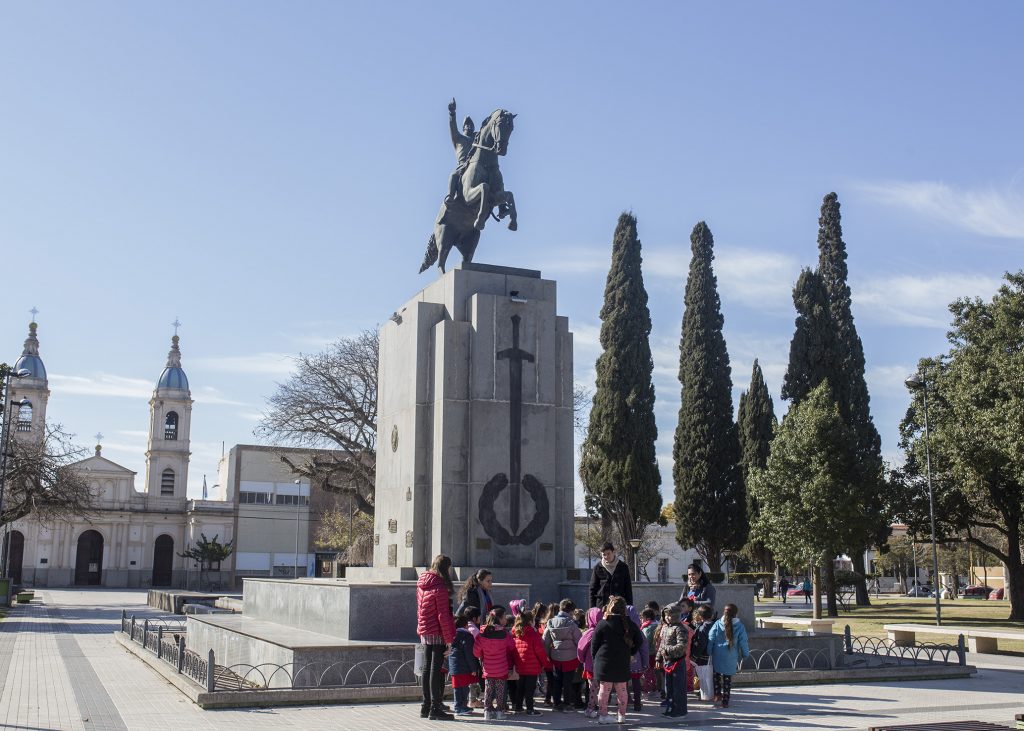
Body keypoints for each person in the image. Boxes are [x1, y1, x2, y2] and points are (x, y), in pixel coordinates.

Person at [592, 596, 645, 725]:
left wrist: (596, 659)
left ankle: (603, 715)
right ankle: (622, 715)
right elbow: (640, 640)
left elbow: (594, 644)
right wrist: (631, 652)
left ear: (610, 607)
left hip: (604, 662)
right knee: (622, 690)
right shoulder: (630, 624)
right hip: (622, 661)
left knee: (604, 690)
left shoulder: (603, 623)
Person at [416, 554, 457, 720]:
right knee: (435, 669)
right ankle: (435, 708)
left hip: (425, 630)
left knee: (427, 668)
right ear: (446, 568)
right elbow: (443, 615)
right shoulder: (440, 587)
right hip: (437, 632)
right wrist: (449, 639)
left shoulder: (422, 583)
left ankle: (425, 706)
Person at [473, 607, 515, 721]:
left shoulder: (482, 634)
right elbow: (512, 647)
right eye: (504, 617)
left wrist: (483, 654)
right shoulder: (505, 634)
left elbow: (476, 652)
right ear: (500, 619)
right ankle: (500, 711)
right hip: (501, 668)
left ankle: (487, 711)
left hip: (488, 668)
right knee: (500, 690)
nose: (506, 619)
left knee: (488, 689)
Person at [542, 598, 582, 712]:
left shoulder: (550, 622)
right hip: (571, 658)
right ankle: (567, 704)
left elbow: (546, 642)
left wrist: (548, 656)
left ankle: (556, 703)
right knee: (568, 682)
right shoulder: (572, 624)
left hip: (556, 657)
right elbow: (579, 641)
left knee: (557, 681)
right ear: (571, 611)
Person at [708, 603, 749, 709]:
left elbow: (711, 638)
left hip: (717, 654)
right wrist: (745, 654)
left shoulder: (717, 623)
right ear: (736, 614)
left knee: (716, 675)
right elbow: (743, 641)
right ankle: (725, 701)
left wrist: (709, 651)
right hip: (730, 656)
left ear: (724, 612)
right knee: (727, 679)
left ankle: (717, 694)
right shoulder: (740, 626)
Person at [510, 609, 550, 715]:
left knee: (520, 688)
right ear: (530, 621)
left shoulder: (516, 633)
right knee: (529, 689)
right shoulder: (533, 634)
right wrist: (545, 664)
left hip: (519, 665)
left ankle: (518, 707)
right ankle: (530, 709)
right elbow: (540, 652)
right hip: (532, 667)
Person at [656, 603, 690, 718]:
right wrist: (658, 657)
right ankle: (670, 708)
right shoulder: (666, 628)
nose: (667, 618)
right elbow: (662, 644)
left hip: (677, 662)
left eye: (670, 615)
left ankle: (680, 710)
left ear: (676, 615)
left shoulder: (680, 629)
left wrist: (667, 650)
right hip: (667, 662)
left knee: (678, 688)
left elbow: (681, 646)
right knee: (669, 687)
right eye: (665, 615)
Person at [444, 98, 476, 205]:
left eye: (471, 125)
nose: (469, 127)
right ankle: (451, 195)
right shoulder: (458, 138)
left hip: (476, 165)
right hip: (462, 167)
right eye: (467, 125)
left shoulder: (476, 140)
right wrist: (452, 113)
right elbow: (452, 126)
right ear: (463, 128)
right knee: (453, 175)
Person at [448, 614, 480, 716]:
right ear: (466, 625)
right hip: (464, 666)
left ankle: (461, 706)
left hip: (454, 666)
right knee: (463, 688)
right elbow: (469, 654)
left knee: (458, 688)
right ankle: (459, 707)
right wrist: (473, 668)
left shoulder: (451, 634)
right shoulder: (467, 636)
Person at [576, 606, 604, 718]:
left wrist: (582, 660)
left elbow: (581, 648)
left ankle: (591, 708)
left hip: (591, 666)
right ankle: (603, 709)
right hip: (604, 666)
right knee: (603, 689)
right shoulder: (605, 630)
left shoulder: (589, 633)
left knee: (592, 690)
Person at [590, 542, 634, 608]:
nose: (606, 556)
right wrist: (592, 608)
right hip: (602, 605)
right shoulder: (597, 567)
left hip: (619, 606)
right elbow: (592, 589)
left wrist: (629, 607)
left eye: (608, 553)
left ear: (613, 552)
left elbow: (628, 588)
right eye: (604, 554)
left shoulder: (623, 567)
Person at [626, 606, 650, 712]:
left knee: (623, 683)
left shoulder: (618, 629)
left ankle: (625, 701)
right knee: (636, 684)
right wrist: (645, 663)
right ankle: (637, 703)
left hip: (622, 663)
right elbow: (644, 649)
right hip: (636, 662)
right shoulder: (638, 631)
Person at [691, 604, 715, 701]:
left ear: (700, 616)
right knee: (710, 675)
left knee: (703, 676)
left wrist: (694, 655)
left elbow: (701, 644)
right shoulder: (715, 624)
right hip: (713, 654)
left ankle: (706, 695)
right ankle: (712, 694)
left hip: (703, 655)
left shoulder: (703, 628)